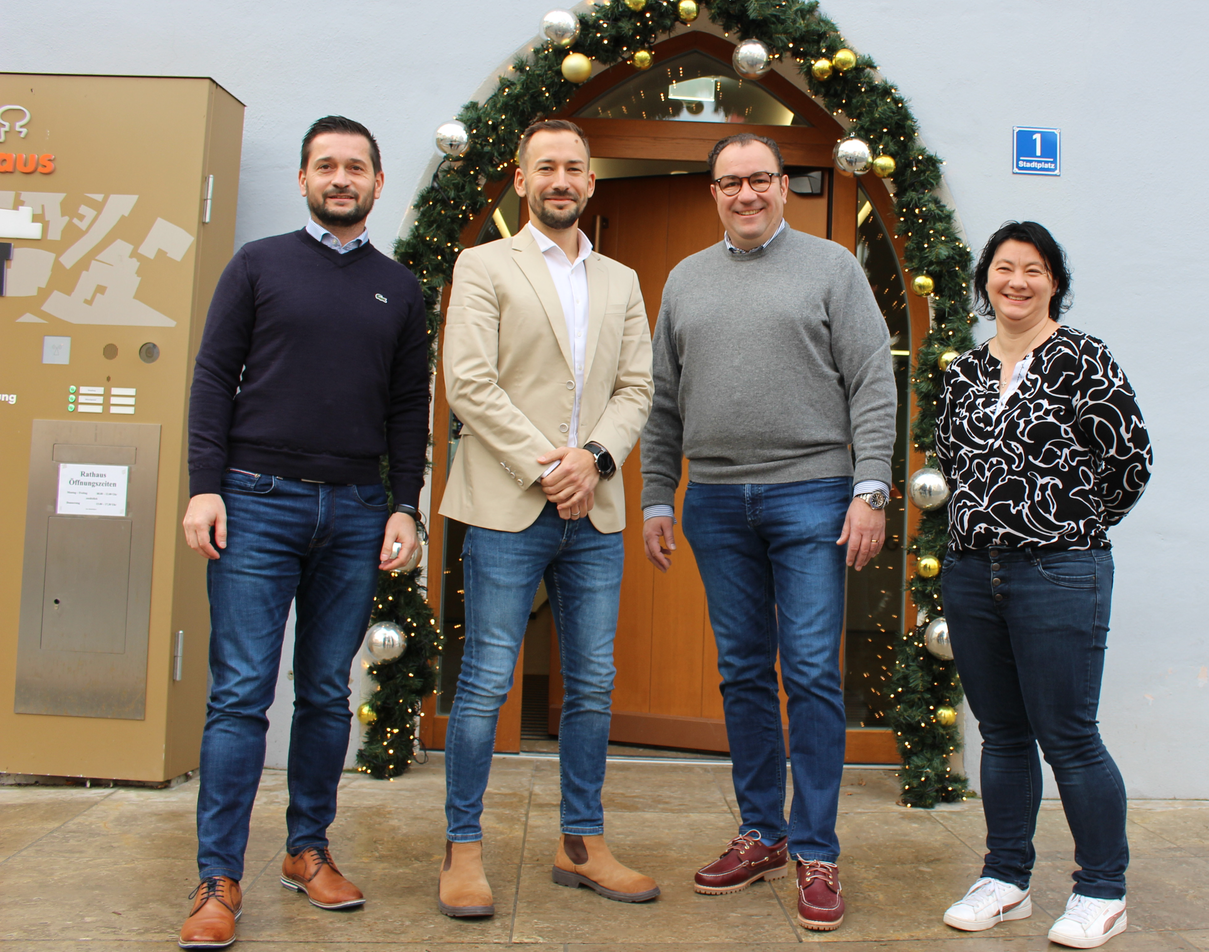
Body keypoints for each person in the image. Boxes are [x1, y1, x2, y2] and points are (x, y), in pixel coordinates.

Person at [179, 116, 429, 949]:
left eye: (355, 166)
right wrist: (205, 488)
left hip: (356, 510)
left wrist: (404, 504)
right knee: (240, 693)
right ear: (303, 179)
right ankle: (218, 878)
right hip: (255, 501)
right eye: (326, 165)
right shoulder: (258, 265)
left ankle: (307, 849)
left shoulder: (400, 287)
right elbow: (213, 376)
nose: (340, 178)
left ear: (378, 183)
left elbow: (408, 406)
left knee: (325, 690)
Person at [638, 133, 896, 932]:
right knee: (744, 671)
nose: (745, 194)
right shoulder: (685, 279)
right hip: (714, 501)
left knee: (811, 671)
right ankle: (762, 833)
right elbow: (663, 399)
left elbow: (872, 380)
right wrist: (655, 496)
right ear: (713, 193)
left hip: (813, 493)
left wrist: (871, 488)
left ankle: (817, 850)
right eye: (730, 183)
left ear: (783, 186)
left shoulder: (833, 269)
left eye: (759, 180)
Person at [436, 119, 655, 916]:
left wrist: (592, 460)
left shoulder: (622, 280)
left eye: (574, 167)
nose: (561, 179)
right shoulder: (483, 264)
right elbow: (470, 383)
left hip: (594, 512)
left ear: (591, 181)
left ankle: (581, 844)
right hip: (507, 507)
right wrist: (551, 468)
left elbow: (637, 388)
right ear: (521, 180)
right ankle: (463, 849)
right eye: (546, 167)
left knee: (593, 683)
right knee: (486, 682)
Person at [934, 221, 1151, 949]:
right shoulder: (963, 372)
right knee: (1001, 734)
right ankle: (1006, 878)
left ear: (1054, 282)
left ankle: (1102, 890)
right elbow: (953, 464)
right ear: (985, 281)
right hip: (973, 571)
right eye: (1004, 268)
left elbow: (1130, 463)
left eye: (1033, 269)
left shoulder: (1083, 358)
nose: (1017, 282)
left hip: (1060, 570)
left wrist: (1067, 525)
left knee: (1069, 736)